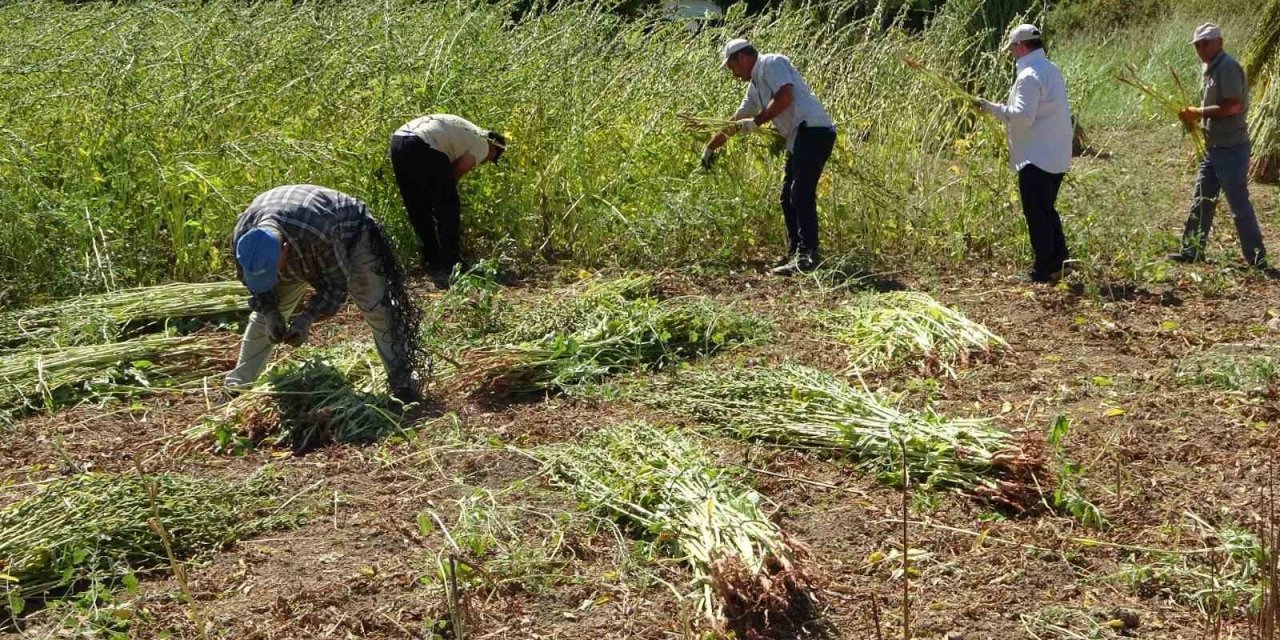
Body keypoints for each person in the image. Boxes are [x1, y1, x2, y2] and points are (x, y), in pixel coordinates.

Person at [225, 185, 428, 403]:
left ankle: (403, 382)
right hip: (299, 238)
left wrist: (306, 319)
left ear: (284, 250)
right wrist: (272, 313)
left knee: (376, 306)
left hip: (351, 236)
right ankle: (236, 386)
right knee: (264, 320)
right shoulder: (244, 240)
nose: (275, 279)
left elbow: (335, 286)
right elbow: (256, 287)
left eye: (274, 272)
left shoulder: (317, 234)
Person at [701, 38, 837, 275]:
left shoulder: (772, 62)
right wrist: (711, 147)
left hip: (814, 131)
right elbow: (736, 120)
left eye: (732, 67)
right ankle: (797, 251)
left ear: (741, 58)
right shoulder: (754, 87)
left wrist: (756, 122)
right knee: (787, 197)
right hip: (799, 138)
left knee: (800, 193)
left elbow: (785, 96)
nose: (732, 73)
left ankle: (808, 256)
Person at [1169, 23, 1272, 272]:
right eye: (1197, 45)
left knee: (1238, 204)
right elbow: (1215, 108)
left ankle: (1257, 259)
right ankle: (1192, 250)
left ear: (1219, 42)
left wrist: (1198, 113)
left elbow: (1233, 106)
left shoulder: (1227, 67)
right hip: (1214, 147)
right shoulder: (1208, 70)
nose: (1201, 49)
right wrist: (1197, 121)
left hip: (1232, 148)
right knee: (1202, 199)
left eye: (1205, 43)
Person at [977, 24, 1074, 284]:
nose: (1011, 54)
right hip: (1056, 153)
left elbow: (1022, 116)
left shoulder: (1029, 75)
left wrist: (991, 108)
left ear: (1020, 46)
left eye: (1011, 49)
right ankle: (1060, 262)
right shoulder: (1050, 69)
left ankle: (1043, 270)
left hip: (1037, 157)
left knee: (1037, 213)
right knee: (1047, 209)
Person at [390, 114, 506, 289]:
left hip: (398, 141)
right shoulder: (483, 143)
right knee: (448, 207)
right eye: (491, 158)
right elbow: (457, 171)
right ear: (494, 148)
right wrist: (443, 190)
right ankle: (452, 265)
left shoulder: (467, 129)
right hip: (425, 145)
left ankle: (433, 264)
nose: (486, 162)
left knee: (418, 208)